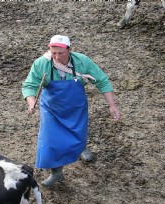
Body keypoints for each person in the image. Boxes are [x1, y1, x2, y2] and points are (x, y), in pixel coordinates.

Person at [22, 35, 121, 187]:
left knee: (77, 133)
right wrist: (31, 103)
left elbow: (101, 80)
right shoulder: (42, 63)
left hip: (76, 106)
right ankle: (57, 173)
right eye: (53, 52)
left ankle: (81, 147)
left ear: (69, 49)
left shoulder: (82, 61)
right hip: (52, 109)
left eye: (61, 53)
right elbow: (30, 85)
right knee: (50, 142)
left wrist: (112, 105)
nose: (57, 56)